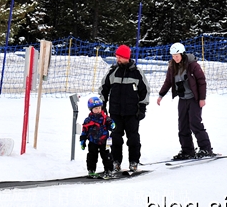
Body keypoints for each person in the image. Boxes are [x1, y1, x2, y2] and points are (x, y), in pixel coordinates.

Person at [156, 42, 215, 160]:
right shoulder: (172, 66)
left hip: (194, 99)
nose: (175, 58)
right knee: (182, 125)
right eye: (173, 56)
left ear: (182, 54)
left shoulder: (193, 65)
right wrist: (161, 95)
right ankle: (187, 150)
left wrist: (202, 98)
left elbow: (201, 81)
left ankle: (206, 149)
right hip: (182, 99)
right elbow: (168, 82)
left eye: (177, 56)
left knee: (195, 123)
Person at [99, 44, 149, 173]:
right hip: (115, 112)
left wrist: (142, 108)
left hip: (132, 113)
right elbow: (103, 88)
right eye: (117, 57)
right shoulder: (112, 71)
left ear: (127, 57)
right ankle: (116, 161)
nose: (118, 59)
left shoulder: (137, 73)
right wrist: (102, 105)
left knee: (133, 139)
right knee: (115, 138)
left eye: (120, 57)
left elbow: (145, 91)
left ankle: (134, 161)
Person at [80, 96, 116, 178]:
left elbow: (111, 124)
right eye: (96, 108)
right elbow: (84, 131)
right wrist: (83, 141)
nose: (98, 110)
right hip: (93, 141)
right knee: (92, 156)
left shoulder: (105, 118)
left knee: (106, 156)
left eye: (99, 108)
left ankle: (109, 170)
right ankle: (91, 170)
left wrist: (112, 125)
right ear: (91, 109)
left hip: (104, 141)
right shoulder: (88, 120)